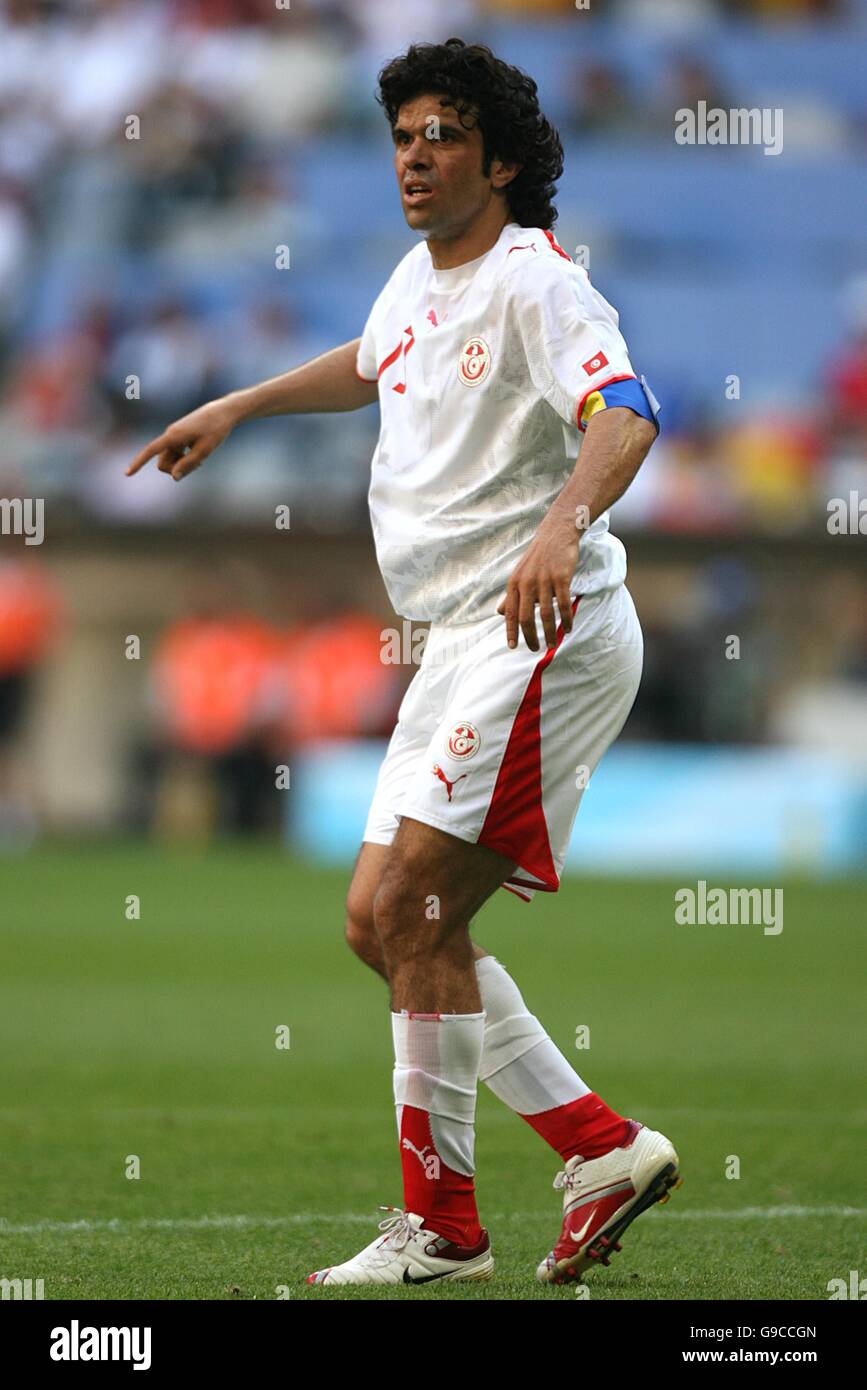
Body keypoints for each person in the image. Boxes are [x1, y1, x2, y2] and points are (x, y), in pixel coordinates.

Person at [127, 37, 680, 1289]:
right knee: (378, 923)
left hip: (545, 629)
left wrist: (561, 521)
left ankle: (444, 1227)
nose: (414, 156)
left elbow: (630, 407)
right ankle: (600, 1149)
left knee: (417, 907)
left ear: (498, 159)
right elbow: (370, 362)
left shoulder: (538, 281)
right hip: (455, 639)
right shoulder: (416, 279)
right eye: (402, 135)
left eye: (441, 134)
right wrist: (239, 404)